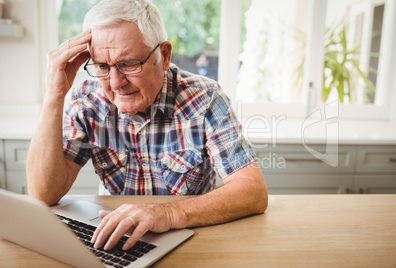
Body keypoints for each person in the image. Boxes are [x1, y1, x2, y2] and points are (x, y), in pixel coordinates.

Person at [26, 0, 268, 252]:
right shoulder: (86, 100)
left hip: (194, 239)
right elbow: (44, 194)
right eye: (102, 66)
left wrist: (169, 215)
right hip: (117, 239)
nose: (116, 83)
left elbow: (253, 191)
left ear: (163, 55)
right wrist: (54, 94)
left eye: (129, 63)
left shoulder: (205, 98)